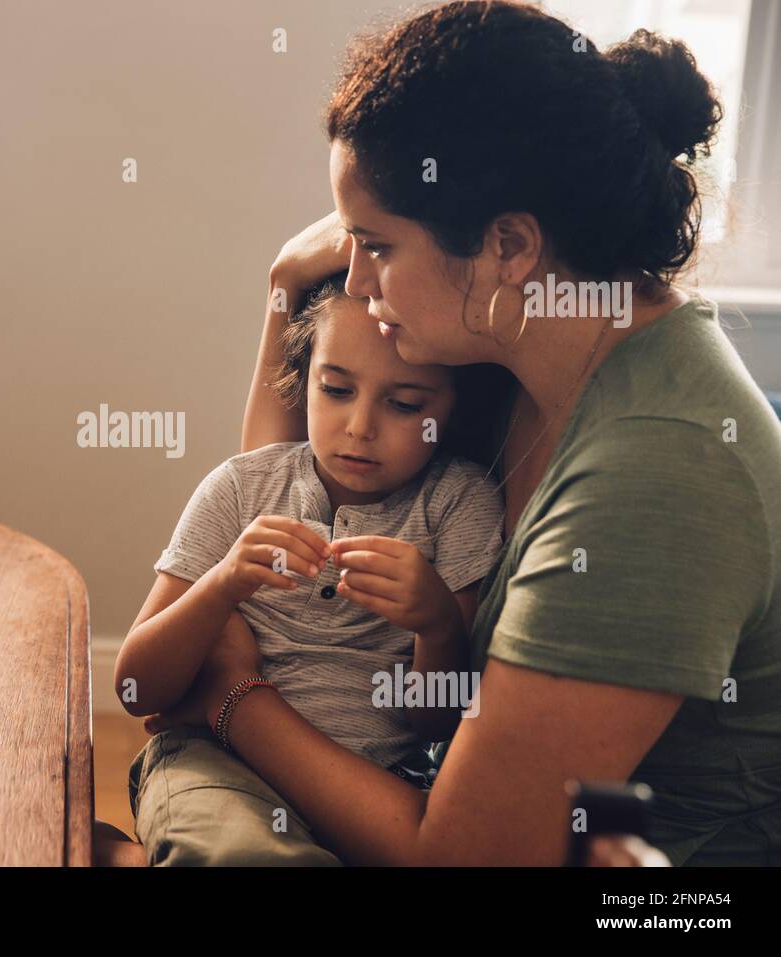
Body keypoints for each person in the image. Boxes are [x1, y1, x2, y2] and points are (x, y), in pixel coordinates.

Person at [141, 0, 781, 865]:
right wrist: (284, 289)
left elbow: (461, 858)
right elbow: (283, 471)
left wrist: (233, 700)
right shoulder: (527, 351)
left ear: (510, 245)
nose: (357, 278)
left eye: (375, 246)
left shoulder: (656, 477)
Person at [117, 286, 507, 864]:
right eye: (336, 390)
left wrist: (438, 624)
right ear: (304, 383)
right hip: (214, 763)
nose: (360, 427)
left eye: (404, 404)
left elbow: (437, 720)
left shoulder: (460, 504)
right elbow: (136, 689)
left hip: (372, 781)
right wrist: (222, 583)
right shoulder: (240, 487)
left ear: (452, 410)